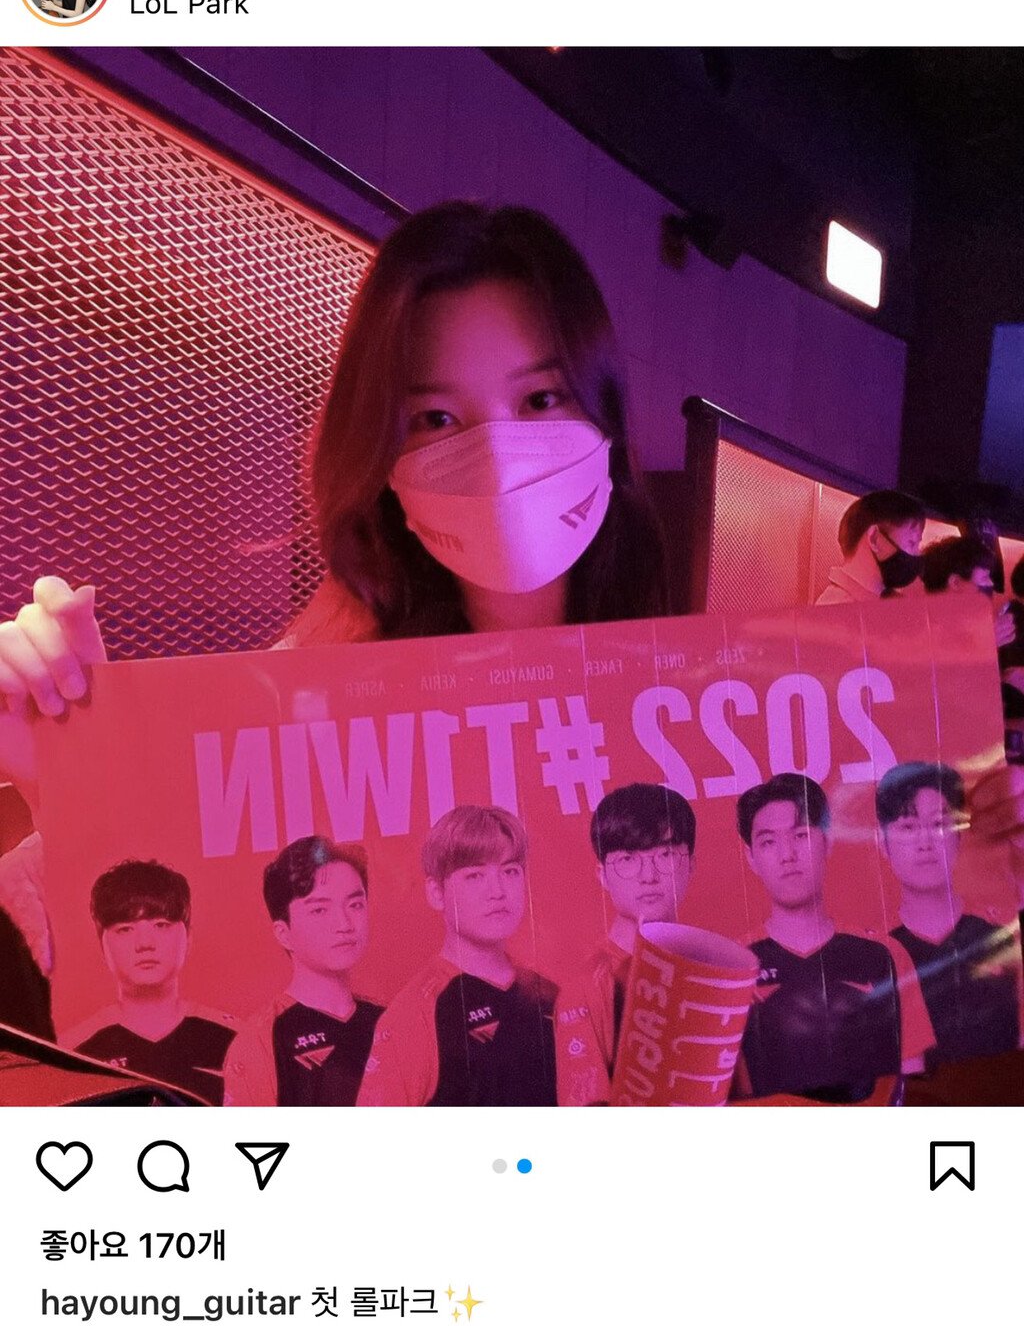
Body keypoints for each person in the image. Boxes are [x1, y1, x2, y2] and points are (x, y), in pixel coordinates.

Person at [0, 202, 668, 1042]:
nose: (499, 457)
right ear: (383, 456)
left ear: (605, 415)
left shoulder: (698, 696)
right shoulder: (300, 704)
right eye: (435, 418)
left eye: (541, 398)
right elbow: (167, 979)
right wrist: (76, 774)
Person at [357, 805, 557, 1106]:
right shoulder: (414, 1014)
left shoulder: (549, 995)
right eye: (475, 875)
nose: (497, 891)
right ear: (436, 893)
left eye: (510, 871)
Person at [736, 772, 909, 1099]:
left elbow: (907, 1071)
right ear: (751, 857)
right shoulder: (733, 966)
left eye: (801, 835)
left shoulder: (882, 954)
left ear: (827, 841)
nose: (787, 855)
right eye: (769, 842)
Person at [555, 782, 696, 1106]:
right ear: (602, 875)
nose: (649, 875)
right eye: (628, 859)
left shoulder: (713, 967)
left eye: (665, 854)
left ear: (691, 864)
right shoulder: (588, 986)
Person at [876, 762, 1021, 1070]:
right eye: (908, 826)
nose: (925, 843)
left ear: (959, 834)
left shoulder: (1002, 938)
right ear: (882, 843)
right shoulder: (877, 959)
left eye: (939, 824)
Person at [224, 836, 382, 1106]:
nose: (344, 924)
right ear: (283, 933)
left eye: (355, 905)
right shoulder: (262, 1040)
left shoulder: (391, 1022)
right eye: (320, 910)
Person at [63, 860, 235, 1103]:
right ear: (102, 944)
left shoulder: (235, 1040)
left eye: (161, 925)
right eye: (125, 929)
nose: (145, 944)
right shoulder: (72, 1053)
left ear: (189, 937)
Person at [816, 489, 926, 604]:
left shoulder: (878, 602)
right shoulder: (839, 608)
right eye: (911, 543)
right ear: (874, 539)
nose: (917, 553)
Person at [920, 535, 1017, 649]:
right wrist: (983, 647)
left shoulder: (966, 629)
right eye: (985, 577)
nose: (991, 584)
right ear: (955, 582)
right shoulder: (922, 632)